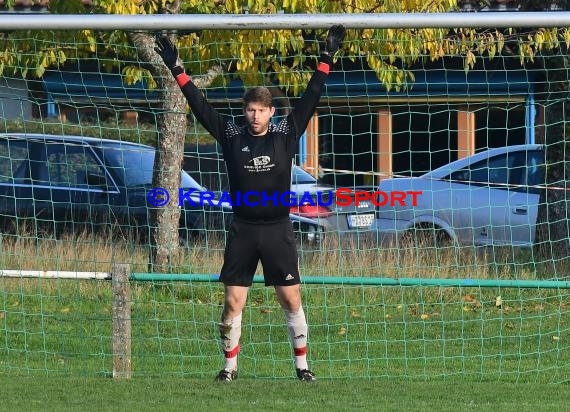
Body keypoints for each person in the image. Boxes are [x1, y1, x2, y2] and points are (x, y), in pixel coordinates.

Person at [155, 24, 346, 382]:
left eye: (261, 110)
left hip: (277, 230)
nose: (255, 116)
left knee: (290, 300)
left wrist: (326, 58)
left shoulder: (286, 134)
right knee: (232, 303)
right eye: (250, 110)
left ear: (271, 112)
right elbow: (200, 105)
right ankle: (229, 368)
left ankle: (302, 366)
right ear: (244, 112)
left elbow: (311, 96)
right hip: (243, 230)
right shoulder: (231, 134)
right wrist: (176, 68)